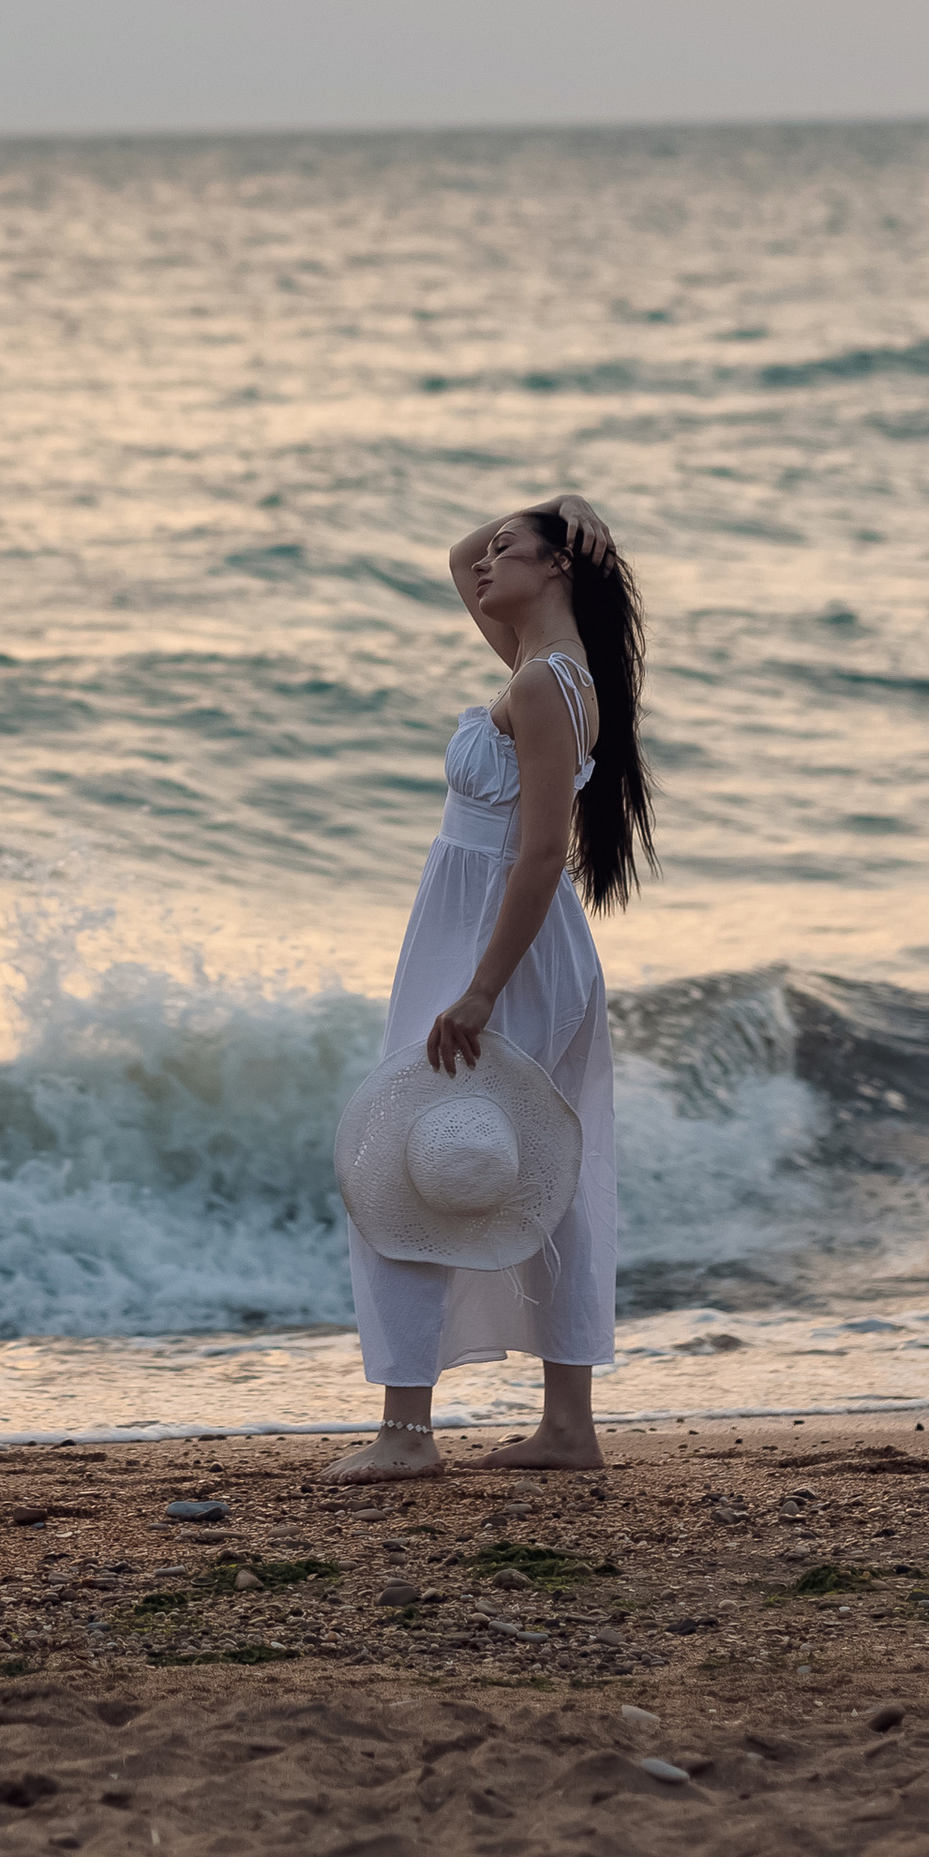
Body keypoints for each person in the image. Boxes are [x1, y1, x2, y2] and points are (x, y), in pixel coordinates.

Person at [329, 493, 654, 1483]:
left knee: (419, 1152)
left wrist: (476, 991)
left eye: (512, 550)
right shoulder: (539, 671)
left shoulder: (549, 686)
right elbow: (458, 555)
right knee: (534, 1172)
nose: (484, 563)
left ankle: (406, 1434)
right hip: (497, 942)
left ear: (557, 569)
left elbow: (539, 854)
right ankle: (565, 1428)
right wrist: (561, 507)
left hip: (497, 946)